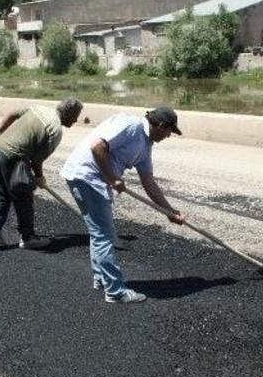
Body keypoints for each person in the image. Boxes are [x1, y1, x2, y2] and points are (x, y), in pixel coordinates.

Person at [61, 106, 185, 304]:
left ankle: (101, 279)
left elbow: (148, 181)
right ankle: (115, 291)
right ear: (161, 125)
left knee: (99, 232)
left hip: (91, 180)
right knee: (104, 235)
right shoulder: (131, 126)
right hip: (87, 177)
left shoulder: (145, 145)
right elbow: (97, 147)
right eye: (170, 131)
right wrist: (113, 178)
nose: (169, 135)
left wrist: (169, 211)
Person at [0, 97, 84, 249]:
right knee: (24, 197)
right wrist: (39, 177)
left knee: (2, 193)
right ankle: (28, 238)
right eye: (75, 116)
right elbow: (37, 161)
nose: (76, 121)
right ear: (68, 114)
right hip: (15, 157)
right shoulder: (55, 130)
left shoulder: (39, 109)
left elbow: (12, 114)